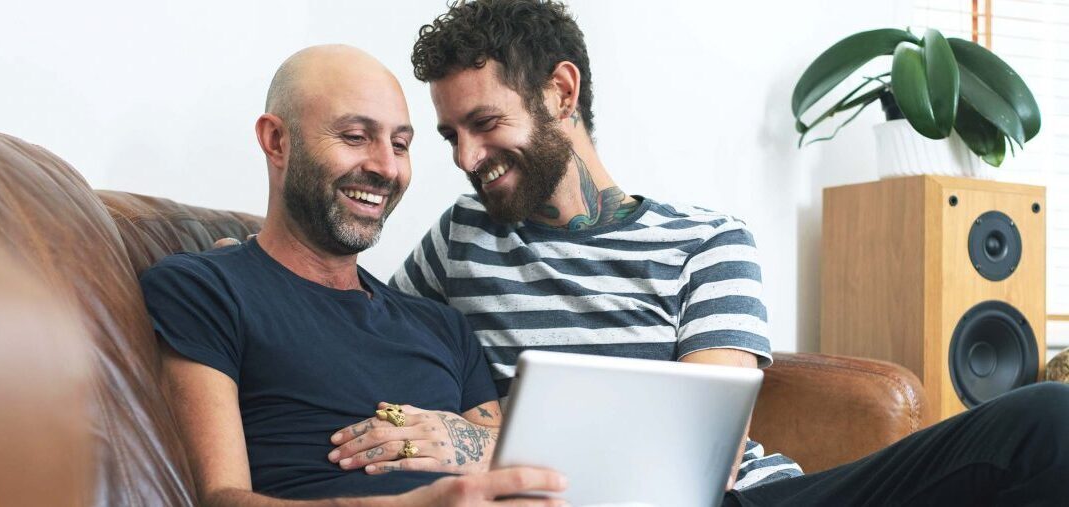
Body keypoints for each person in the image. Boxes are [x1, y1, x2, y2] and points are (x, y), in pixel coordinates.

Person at [337, 1, 1069, 505]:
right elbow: (363, 341)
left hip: (744, 498)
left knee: (1045, 420)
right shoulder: (460, 240)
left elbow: (696, 449)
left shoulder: (707, 241)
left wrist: (476, 437)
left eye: (485, 122)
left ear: (561, 91)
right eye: (451, 135)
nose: (467, 155)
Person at [141, 44, 567, 506]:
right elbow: (220, 499)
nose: (385, 167)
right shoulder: (205, 290)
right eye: (355, 136)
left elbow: (512, 468)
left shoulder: (442, 327)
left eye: (400, 145)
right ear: (277, 141)